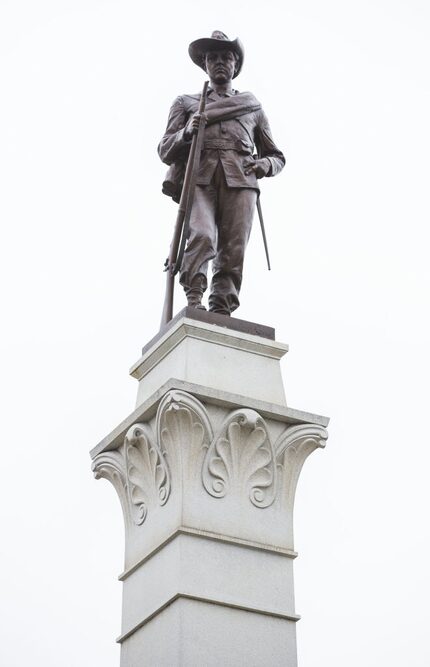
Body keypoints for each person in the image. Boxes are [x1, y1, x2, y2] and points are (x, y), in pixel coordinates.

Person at [158, 31, 285, 316]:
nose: (219, 62)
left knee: (233, 250)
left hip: (241, 181)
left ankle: (222, 308)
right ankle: (194, 297)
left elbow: (276, 157)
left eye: (225, 57)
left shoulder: (253, 107)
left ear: (235, 64)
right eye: (212, 57)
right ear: (204, 64)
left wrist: (263, 165)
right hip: (199, 180)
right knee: (202, 236)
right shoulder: (186, 103)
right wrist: (187, 131)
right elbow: (165, 149)